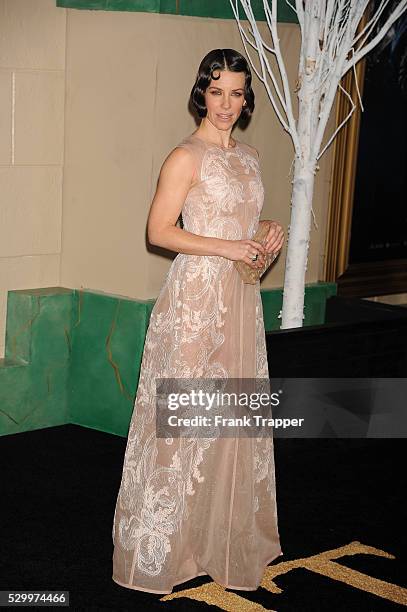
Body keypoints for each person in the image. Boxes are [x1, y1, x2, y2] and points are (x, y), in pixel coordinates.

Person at [112, 48, 285, 595]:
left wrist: (266, 231)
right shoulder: (184, 156)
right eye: (217, 92)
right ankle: (163, 549)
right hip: (194, 302)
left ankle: (220, 539)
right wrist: (231, 247)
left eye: (236, 93)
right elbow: (159, 232)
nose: (226, 104)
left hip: (239, 300)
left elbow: (240, 221)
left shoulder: (252, 156)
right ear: (201, 93)